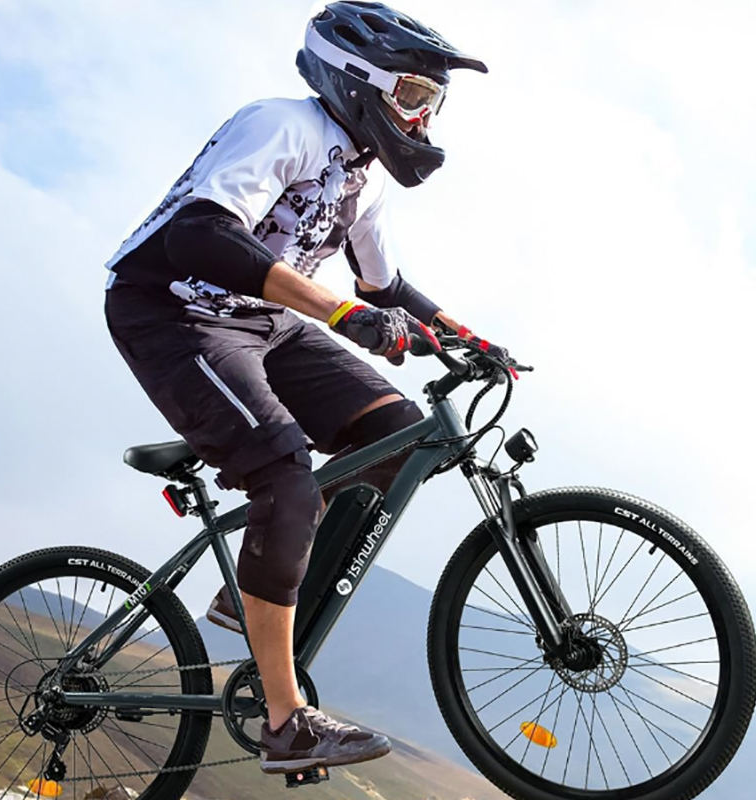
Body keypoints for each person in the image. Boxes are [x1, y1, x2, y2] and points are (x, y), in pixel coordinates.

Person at [102, 1, 502, 775]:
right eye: (415, 96)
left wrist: (467, 336)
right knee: (284, 475)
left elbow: (382, 288)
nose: (424, 119)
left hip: (263, 323)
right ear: (360, 80)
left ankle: (264, 573)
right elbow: (199, 233)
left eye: (434, 103)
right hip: (173, 310)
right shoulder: (280, 125)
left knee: (399, 436)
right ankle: (285, 723)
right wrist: (338, 311)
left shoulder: (366, 174)